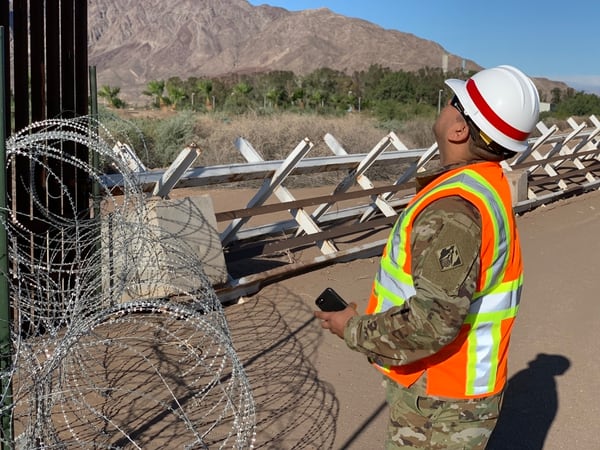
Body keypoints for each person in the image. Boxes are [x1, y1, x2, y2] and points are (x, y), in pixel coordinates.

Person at [314, 65, 540, 450]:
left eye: (454, 102)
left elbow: (432, 323)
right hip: (449, 393)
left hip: (441, 401)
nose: (446, 106)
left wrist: (352, 328)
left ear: (459, 129)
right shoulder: (485, 184)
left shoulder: (455, 209)